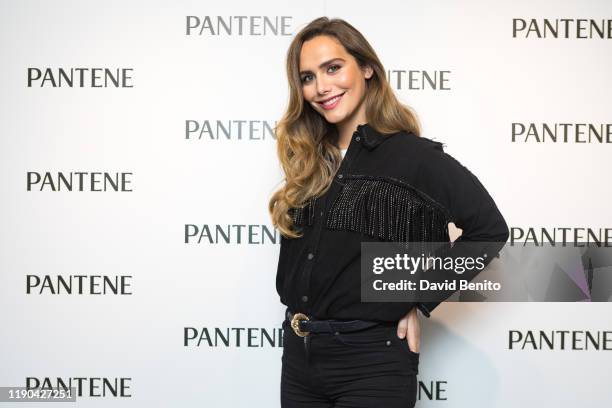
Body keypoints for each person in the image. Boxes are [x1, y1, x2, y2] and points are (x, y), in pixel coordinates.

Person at [268, 17, 509, 408]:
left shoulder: (413, 156)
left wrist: (414, 297)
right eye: (308, 77)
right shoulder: (310, 158)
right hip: (299, 358)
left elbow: (488, 231)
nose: (321, 87)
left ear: (366, 68)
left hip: (371, 361)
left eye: (333, 68)